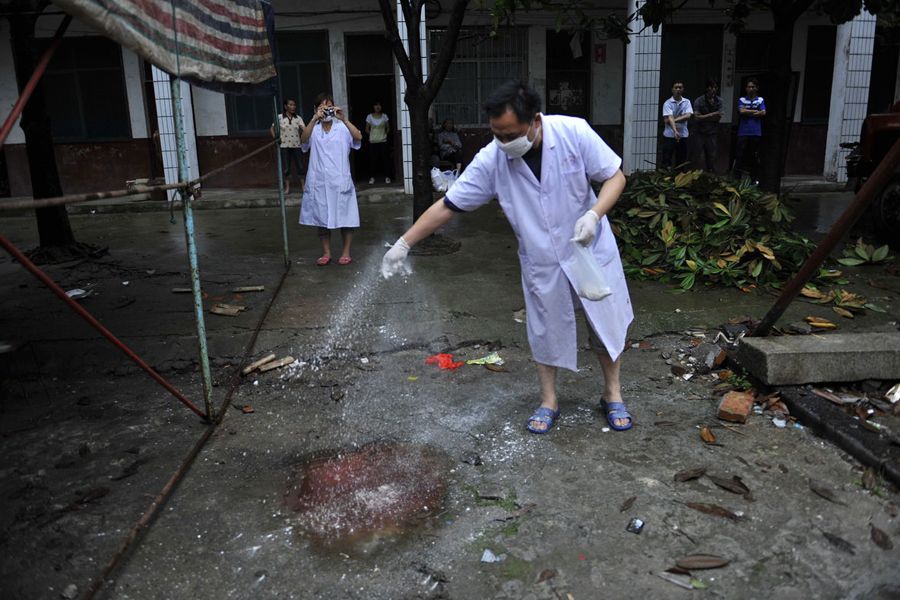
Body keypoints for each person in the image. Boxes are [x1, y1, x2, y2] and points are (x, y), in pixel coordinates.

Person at [382, 80, 634, 435]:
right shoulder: (492, 158)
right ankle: (548, 401)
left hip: (590, 248)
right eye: (497, 134)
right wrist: (404, 243)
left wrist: (594, 214)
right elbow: (449, 205)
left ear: (535, 120)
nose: (503, 142)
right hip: (542, 260)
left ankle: (612, 394)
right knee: (545, 328)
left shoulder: (574, 133)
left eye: (511, 134)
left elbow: (614, 177)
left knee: (605, 323)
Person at [299, 93, 363, 266]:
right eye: (321, 107)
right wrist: (313, 120)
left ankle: (346, 252)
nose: (326, 110)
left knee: (346, 218)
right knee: (322, 219)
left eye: (328, 106)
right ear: (315, 109)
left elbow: (358, 137)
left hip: (339, 180)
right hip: (320, 181)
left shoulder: (342, 127)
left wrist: (344, 119)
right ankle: (326, 253)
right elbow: (303, 141)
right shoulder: (313, 129)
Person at [270, 99, 305, 194]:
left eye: (294, 105)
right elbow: (272, 128)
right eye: (291, 105)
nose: (293, 107)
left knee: (300, 166)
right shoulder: (280, 117)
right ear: (286, 107)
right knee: (286, 167)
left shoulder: (298, 118)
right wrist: (275, 139)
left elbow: (304, 129)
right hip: (284, 146)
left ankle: (303, 187)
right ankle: (287, 188)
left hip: (297, 145)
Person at [734, 78, 766, 182]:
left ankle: (754, 179)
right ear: (746, 88)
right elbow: (741, 111)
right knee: (740, 155)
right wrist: (754, 111)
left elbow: (763, 112)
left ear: (757, 88)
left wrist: (747, 111)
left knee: (753, 155)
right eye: (749, 87)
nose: (750, 89)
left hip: (756, 132)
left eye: (753, 87)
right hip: (743, 131)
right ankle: (736, 178)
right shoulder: (742, 99)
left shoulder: (760, 100)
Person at [692, 79, 723, 173]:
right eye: (711, 87)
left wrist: (704, 117)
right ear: (707, 88)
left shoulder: (719, 100)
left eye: (715, 87)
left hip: (712, 132)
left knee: (711, 156)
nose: (713, 89)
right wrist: (711, 115)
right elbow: (696, 117)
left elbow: (718, 117)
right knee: (697, 155)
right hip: (699, 132)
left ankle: (710, 174)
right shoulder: (699, 100)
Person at [660, 80, 692, 169]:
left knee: (681, 160)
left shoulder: (687, 102)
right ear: (672, 89)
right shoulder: (667, 103)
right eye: (676, 87)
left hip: (683, 135)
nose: (678, 89)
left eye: (680, 87)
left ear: (683, 89)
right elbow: (669, 117)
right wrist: (675, 131)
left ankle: (679, 180)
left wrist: (673, 120)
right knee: (667, 160)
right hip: (669, 135)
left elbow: (688, 115)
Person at [365, 101, 391, 185]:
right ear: (373, 106)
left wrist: (383, 135)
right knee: (373, 160)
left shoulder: (384, 116)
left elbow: (388, 128)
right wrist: (373, 135)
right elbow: (367, 129)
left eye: (379, 105)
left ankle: (387, 177)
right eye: (375, 105)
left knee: (385, 160)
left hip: (383, 141)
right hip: (373, 142)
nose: (377, 107)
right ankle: (372, 177)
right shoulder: (369, 116)